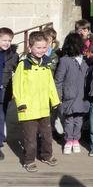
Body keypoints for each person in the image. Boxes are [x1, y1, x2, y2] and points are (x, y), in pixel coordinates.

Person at [12, 31, 59, 172]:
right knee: (30, 138)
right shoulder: (23, 65)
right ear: (30, 47)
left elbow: (50, 83)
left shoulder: (46, 63)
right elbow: (17, 86)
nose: (41, 50)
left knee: (47, 135)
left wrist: (54, 100)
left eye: (44, 47)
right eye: (38, 47)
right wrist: (20, 103)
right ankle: (29, 160)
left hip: (44, 107)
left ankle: (46, 155)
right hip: (28, 109)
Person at [54, 32, 89, 155]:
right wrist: (58, 98)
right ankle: (68, 140)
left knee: (79, 120)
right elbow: (58, 80)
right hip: (68, 97)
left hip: (81, 97)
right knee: (68, 120)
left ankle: (76, 140)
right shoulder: (64, 61)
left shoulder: (84, 61)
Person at [0, 27, 19, 160]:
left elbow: (20, 71)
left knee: (2, 115)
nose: (7, 43)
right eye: (4, 40)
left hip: (6, 90)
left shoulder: (14, 55)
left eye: (9, 40)